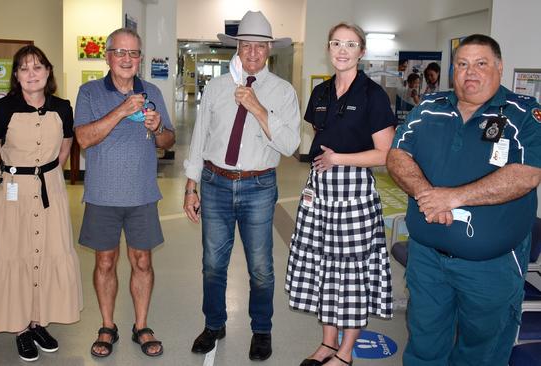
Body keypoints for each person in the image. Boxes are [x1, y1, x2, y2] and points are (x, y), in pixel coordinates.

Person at [386, 34, 541, 365]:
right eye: (462, 64)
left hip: (491, 267)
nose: (470, 72)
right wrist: (426, 195)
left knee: (482, 351)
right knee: (424, 342)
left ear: (499, 67)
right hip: (427, 259)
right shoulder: (429, 107)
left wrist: (452, 198)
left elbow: (526, 175)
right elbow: (397, 155)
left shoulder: (524, 114)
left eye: (481, 63)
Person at [183, 10, 301, 361]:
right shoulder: (217, 88)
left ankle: (261, 330)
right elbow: (199, 138)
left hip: (258, 186)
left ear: (269, 51)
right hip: (215, 183)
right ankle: (214, 323)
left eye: (259, 47)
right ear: (237, 47)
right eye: (246, 45)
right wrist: (191, 186)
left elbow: (290, 145)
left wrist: (258, 108)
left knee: (261, 266)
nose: (252, 53)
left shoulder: (283, 92)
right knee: (213, 264)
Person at [285, 22, 395, 366]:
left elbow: (386, 154)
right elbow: (322, 135)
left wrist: (339, 159)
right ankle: (328, 342)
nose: (342, 50)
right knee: (322, 265)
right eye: (336, 43)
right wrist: (327, 162)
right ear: (328, 48)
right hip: (320, 188)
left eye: (350, 45)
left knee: (350, 271)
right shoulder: (321, 93)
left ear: (361, 52)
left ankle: (345, 353)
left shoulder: (372, 95)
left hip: (354, 190)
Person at [0, 45, 82, 362]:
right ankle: (21, 328)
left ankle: (37, 322)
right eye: (24, 68)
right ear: (16, 75)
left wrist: (45, 175)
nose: (31, 74)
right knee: (15, 254)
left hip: (50, 189)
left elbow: (64, 149)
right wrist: (0, 190)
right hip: (11, 191)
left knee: (47, 253)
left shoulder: (62, 107)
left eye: (37, 67)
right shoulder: (2, 107)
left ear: (48, 72)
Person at [74, 27, 175, 358]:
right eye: (120, 52)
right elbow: (84, 139)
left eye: (133, 54)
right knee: (105, 262)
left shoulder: (153, 91)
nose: (126, 59)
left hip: (142, 194)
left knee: (142, 262)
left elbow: (168, 141)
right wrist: (120, 110)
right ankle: (107, 325)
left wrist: (157, 127)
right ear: (108, 56)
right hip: (102, 195)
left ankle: (141, 325)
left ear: (140, 59)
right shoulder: (89, 92)